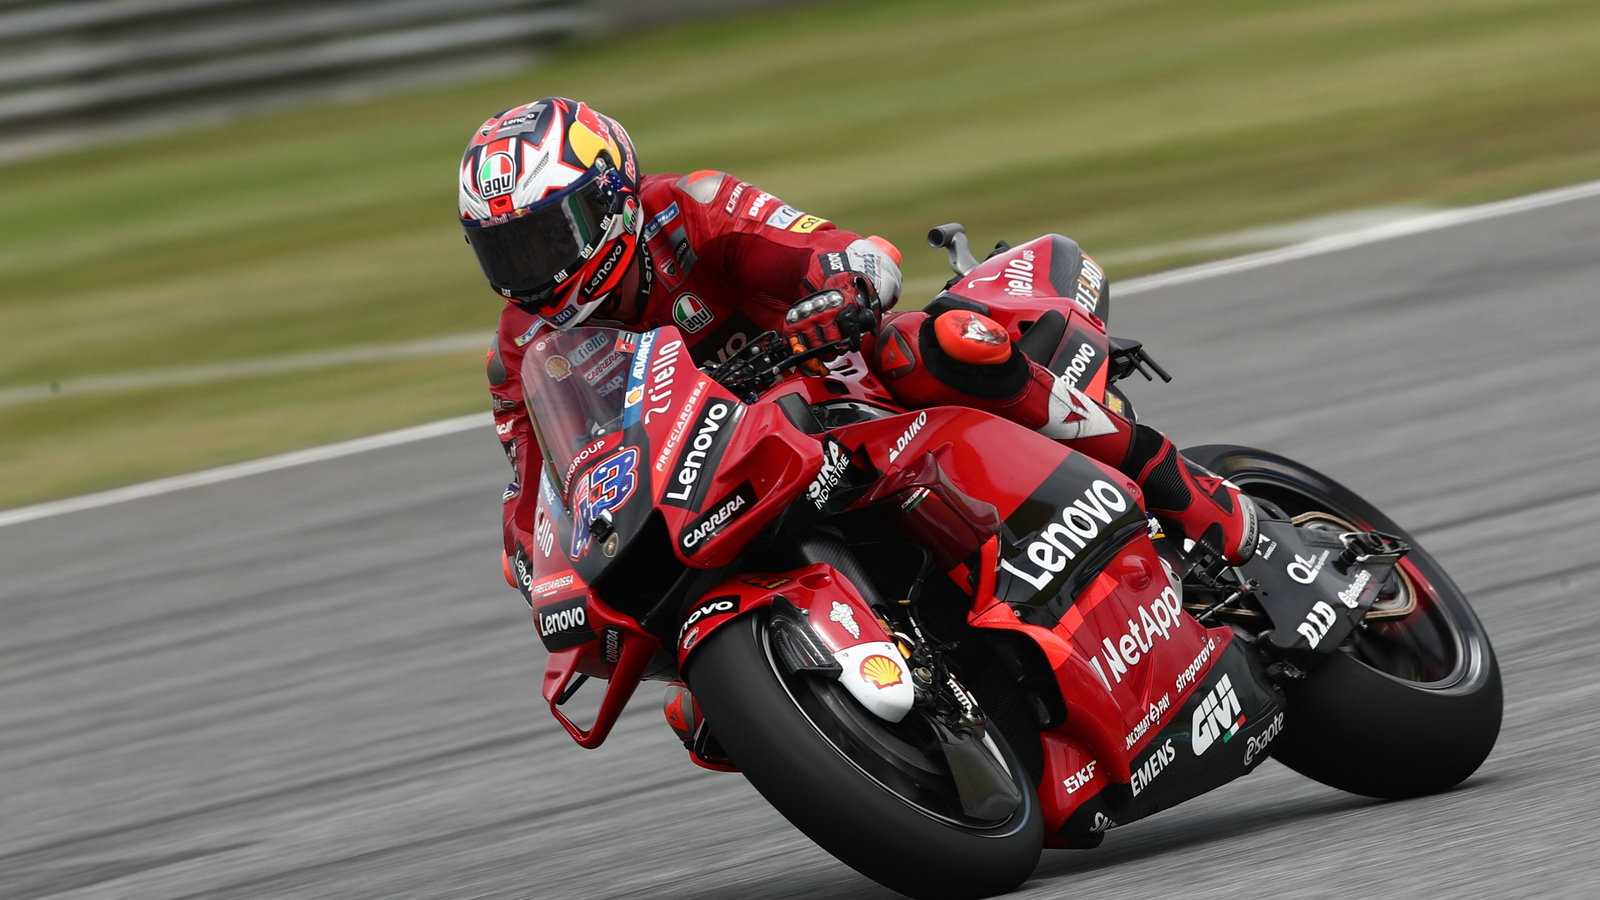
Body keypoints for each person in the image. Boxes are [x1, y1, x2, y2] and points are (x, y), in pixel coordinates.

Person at [459, 98, 1256, 602]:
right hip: (713, 485)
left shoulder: (688, 210)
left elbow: (846, 251)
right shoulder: (521, 347)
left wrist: (840, 292)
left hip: (842, 393)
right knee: (698, 715)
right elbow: (537, 491)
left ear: (609, 201)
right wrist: (533, 561)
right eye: (508, 253)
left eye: (544, 240)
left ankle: (1195, 499)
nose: (533, 273)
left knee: (947, 345)